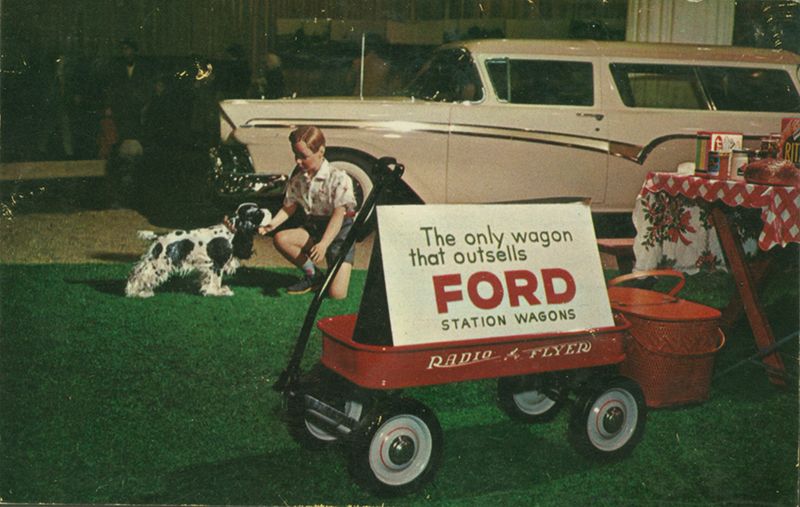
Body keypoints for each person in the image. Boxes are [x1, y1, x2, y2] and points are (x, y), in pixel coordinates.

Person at [259, 126, 357, 299]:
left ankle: (334, 270)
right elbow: (289, 207)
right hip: (314, 228)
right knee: (281, 238)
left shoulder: (339, 178)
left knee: (337, 294)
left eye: (303, 156)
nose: (298, 161)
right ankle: (314, 275)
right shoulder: (298, 180)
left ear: (321, 151)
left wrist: (324, 244)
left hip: (339, 232)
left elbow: (338, 215)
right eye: (296, 156)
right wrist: (271, 225)